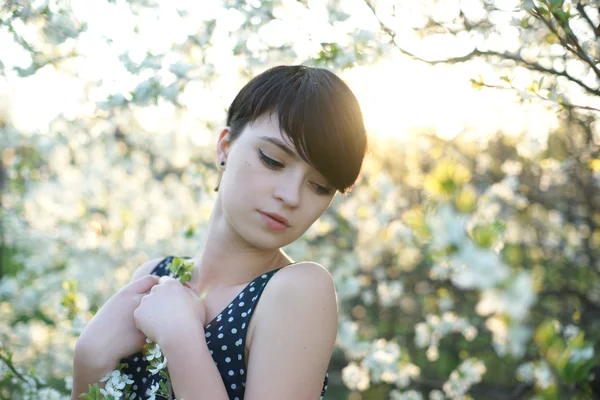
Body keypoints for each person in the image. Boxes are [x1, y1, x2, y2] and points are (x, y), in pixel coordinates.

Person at [71, 64, 368, 400]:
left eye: (319, 186)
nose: (291, 195)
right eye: (273, 160)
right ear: (225, 147)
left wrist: (182, 341)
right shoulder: (154, 278)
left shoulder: (299, 291)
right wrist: (89, 359)